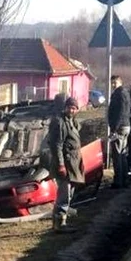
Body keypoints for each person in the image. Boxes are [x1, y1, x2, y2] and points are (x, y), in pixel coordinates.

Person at [48, 96, 84, 232]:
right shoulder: (59, 123)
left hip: (73, 163)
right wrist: (61, 165)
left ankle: (58, 222)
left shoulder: (71, 122)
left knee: (68, 193)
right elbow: (57, 145)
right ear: (65, 107)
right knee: (64, 193)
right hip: (65, 163)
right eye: (70, 107)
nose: (72, 110)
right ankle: (60, 223)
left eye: (74, 108)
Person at [108, 75, 131, 189]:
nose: (113, 85)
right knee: (123, 154)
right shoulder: (126, 93)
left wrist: (114, 128)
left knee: (117, 155)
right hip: (126, 126)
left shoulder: (119, 94)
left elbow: (120, 112)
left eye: (114, 83)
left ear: (120, 82)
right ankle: (125, 180)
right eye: (112, 83)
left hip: (120, 127)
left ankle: (119, 181)